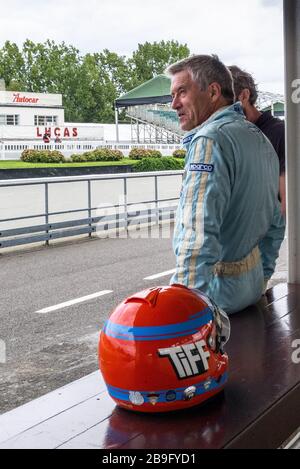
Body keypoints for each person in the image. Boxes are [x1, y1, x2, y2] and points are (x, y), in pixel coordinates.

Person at [166, 54, 285, 314]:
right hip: (249, 292)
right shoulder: (259, 139)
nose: (173, 104)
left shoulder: (209, 141)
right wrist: (260, 278)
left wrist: (184, 312)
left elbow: (197, 237)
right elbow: (276, 222)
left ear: (213, 92)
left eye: (181, 92)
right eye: (172, 95)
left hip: (215, 303)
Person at [228, 65, 286, 216]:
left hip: (268, 229)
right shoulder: (229, 134)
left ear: (244, 96)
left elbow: (286, 200)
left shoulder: (280, 133)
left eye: (226, 100)